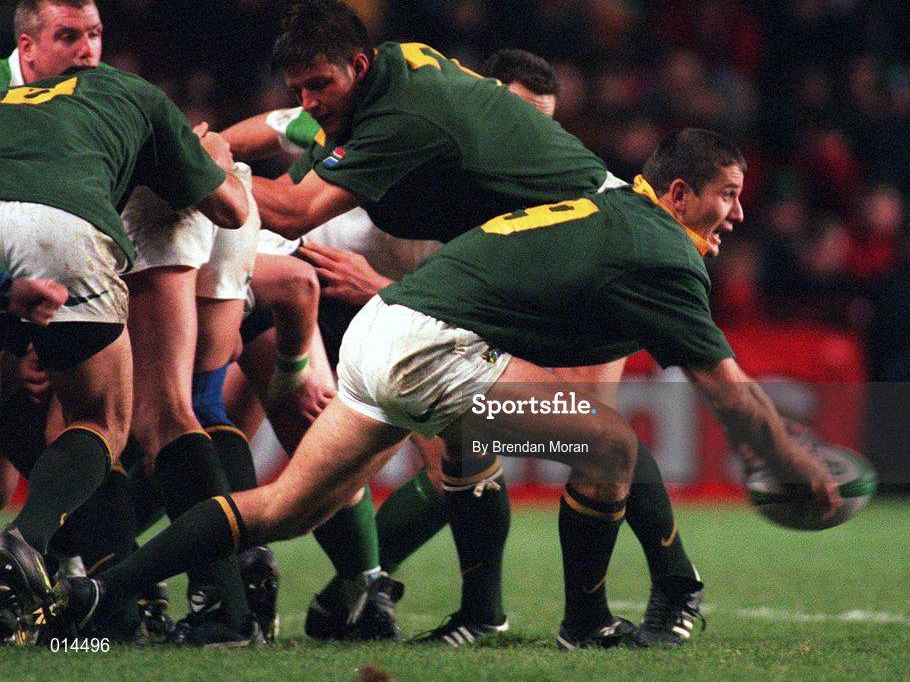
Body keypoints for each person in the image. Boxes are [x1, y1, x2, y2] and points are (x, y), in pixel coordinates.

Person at [48, 128, 840, 649]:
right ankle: (587, 623)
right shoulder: (663, 249)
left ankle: (88, 597)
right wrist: (792, 459)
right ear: (676, 195)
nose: (737, 211)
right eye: (726, 194)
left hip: (386, 332)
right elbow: (729, 390)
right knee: (610, 446)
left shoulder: (611, 215)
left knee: (285, 508)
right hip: (433, 346)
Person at [0, 62, 248, 644]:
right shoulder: (137, 98)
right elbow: (241, 208)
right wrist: (213, 154)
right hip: (76, 230)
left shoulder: (13, 104)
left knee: (155, 411)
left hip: (29, 248)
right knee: (120, 417)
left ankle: (113, 599)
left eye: (92, 34)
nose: (86, 48)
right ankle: (185, 599)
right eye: (70, 35)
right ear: (26, 44)